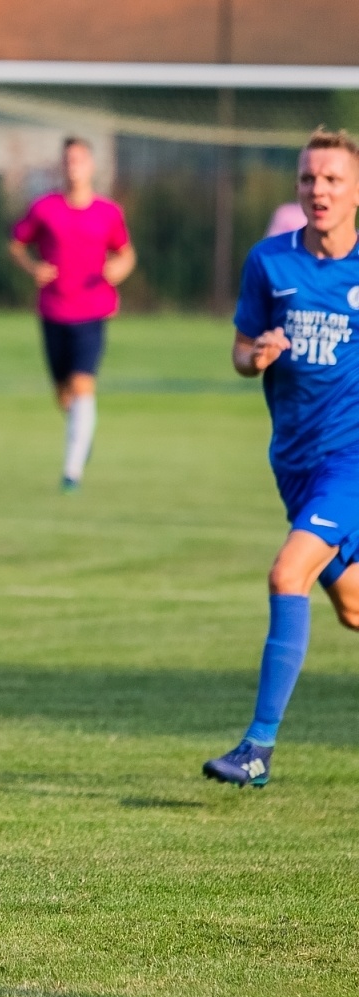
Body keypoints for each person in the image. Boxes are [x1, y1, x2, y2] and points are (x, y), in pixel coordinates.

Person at [203, 127, 359, 787]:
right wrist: (256, 356)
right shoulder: (271, 262)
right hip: (294, 463)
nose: (318, 190)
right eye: (308, 179)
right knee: (353, 607)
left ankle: (257, 748)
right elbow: (240, 351)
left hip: (349, 463)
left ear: (355, 190)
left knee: (286, 574)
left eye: (332, 179)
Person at [9, 138, 137, 491]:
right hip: (53, 310)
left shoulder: (108, 213)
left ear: (91, 165)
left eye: (79, 159)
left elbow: (126, 254)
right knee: (65, 395)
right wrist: (32, 267)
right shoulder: (45, 208)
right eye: (68, 160)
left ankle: (72, 472)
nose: (73, 165)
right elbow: (16, 243)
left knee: (83, 385)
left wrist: (117, 271)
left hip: (93, 311)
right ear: (61, 166)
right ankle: (82, 434)